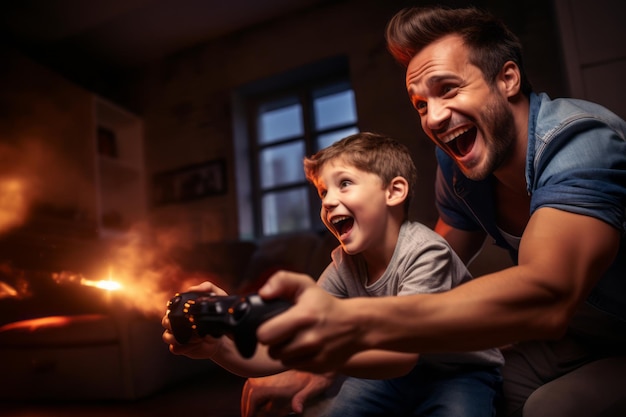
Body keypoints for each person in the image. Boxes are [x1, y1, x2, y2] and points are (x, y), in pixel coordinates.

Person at [243, 5, 626, 417]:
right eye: (421, 104)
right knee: (469, 385)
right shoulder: (461, 166)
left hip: (607, 332)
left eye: (448, 89)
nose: (435, 118)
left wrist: (346, 329)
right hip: (575, 337)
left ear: (507, 79)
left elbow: (546, 295)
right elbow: (428, 269)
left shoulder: (581, 142)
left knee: (550, 408)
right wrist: (318, 367)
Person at [163, 132, 503, 416]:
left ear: (394, 192)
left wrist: (319, 355)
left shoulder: (426, 253)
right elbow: (278, 351)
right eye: (323, 191)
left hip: (458, 372)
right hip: (393, 376)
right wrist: (218, 346)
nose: (327, 201)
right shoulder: (343, 265)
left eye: (344, 184)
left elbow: (399, 357)